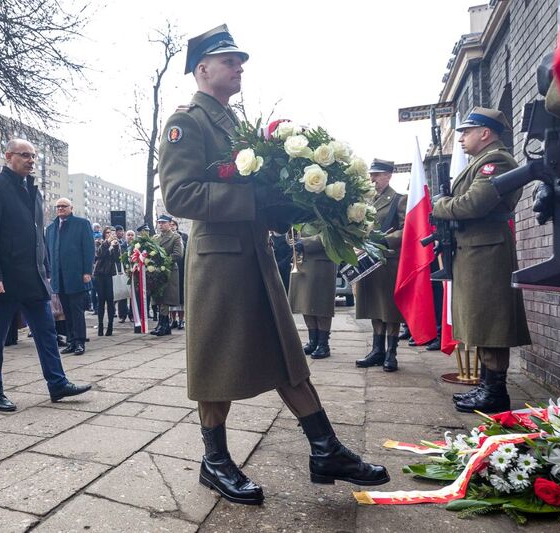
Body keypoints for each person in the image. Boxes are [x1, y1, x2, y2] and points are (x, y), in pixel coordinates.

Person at [158, 24, 388, 506]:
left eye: (240, 61)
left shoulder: (233, 124)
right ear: (202, 69)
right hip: (219, 261)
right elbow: (179, 195)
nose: (240, 66)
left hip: (254, 256)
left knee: (287, 353)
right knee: (216, 360)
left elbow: (257, 194)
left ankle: (325, 449)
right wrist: (252, 197)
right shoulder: (188, 122)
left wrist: (296, 203)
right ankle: (215, 460)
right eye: (230, 60)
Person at [0, 139, 90, 411]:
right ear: (8, 156)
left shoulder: (34, 191)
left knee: (46, 332)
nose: (30, 160)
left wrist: (45, 269)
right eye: (24, 155)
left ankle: (57, 383)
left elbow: (38, 236)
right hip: (3, 280)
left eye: (33, 156)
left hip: (34, 278)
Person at [432, 107, 531, 413]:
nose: (461, 138)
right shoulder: (482, 161)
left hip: (487, 253)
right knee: (482, 321)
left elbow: (475, 203)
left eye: (466, 131)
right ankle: (487, 389)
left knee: (490, 322)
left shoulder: (496, 161)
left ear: (485, 133)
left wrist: (441, 205)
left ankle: (494, 392)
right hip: (477, 251)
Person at [354, 159, 406, 372]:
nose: (372, 179)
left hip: (388, 261)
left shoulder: (399, 200)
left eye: (377, 175)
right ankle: (377, 350)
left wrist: (385, 240)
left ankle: (391, 352)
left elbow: (406, 230)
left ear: (388, 175)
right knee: (375, 306)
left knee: (390, 309)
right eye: (371, 175)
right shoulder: (366, 202)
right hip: (369, 261)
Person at [45, 198, 94, 356]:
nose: (60, 209)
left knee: (77, 310)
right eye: (58, 206)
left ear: (71, 208)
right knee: (66, 310)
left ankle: (80, 341)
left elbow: (88, 249)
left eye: (64, 206)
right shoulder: (51, 228)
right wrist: (50, 273)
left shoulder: (82, 224)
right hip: (58, 277)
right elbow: (48, 253)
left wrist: (87, 271)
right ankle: (71, 341)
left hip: (76, 275)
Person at [289, 234, 337, 359]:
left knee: (321, 304)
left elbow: (330, 233)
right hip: (302, 260)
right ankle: (313, 341)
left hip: (321, 261)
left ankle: (323, 344)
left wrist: (304, 243)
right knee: (305, 303)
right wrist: (292, 240)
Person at [150, 214, 183, 336]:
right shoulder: (155, 238)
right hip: (156, 271)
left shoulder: (175, 237)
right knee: (158, 298)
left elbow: (178, 254)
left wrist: (164, 261)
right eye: (159, 223)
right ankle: (162, 325)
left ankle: (163, 325)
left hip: (169, 271)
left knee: (165, 298)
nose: (161, 225)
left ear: (170, 224)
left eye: (163, 223)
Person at [92, 226, 120, 336]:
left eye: (112, 233)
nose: (110, 235)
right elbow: (99, 254)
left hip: (110, 275)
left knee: (110, 301)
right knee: (101, 301)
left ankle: (110, 326)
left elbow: (118, 259)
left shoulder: (116, 244)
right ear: (104, 234)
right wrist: (107, 243)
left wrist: (116, 248)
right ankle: (100, 326)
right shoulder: (100, 243)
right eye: (108, 233)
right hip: (100, 274)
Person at [169, 218, 188, 329]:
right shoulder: (166, 237)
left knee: (181, 296)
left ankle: (181, 320)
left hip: (181, 269)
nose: (172, 226)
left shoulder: (183, 237)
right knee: (171, 296)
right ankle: (173, 320)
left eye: (174, 225)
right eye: (170, 224)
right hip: (170, 269)